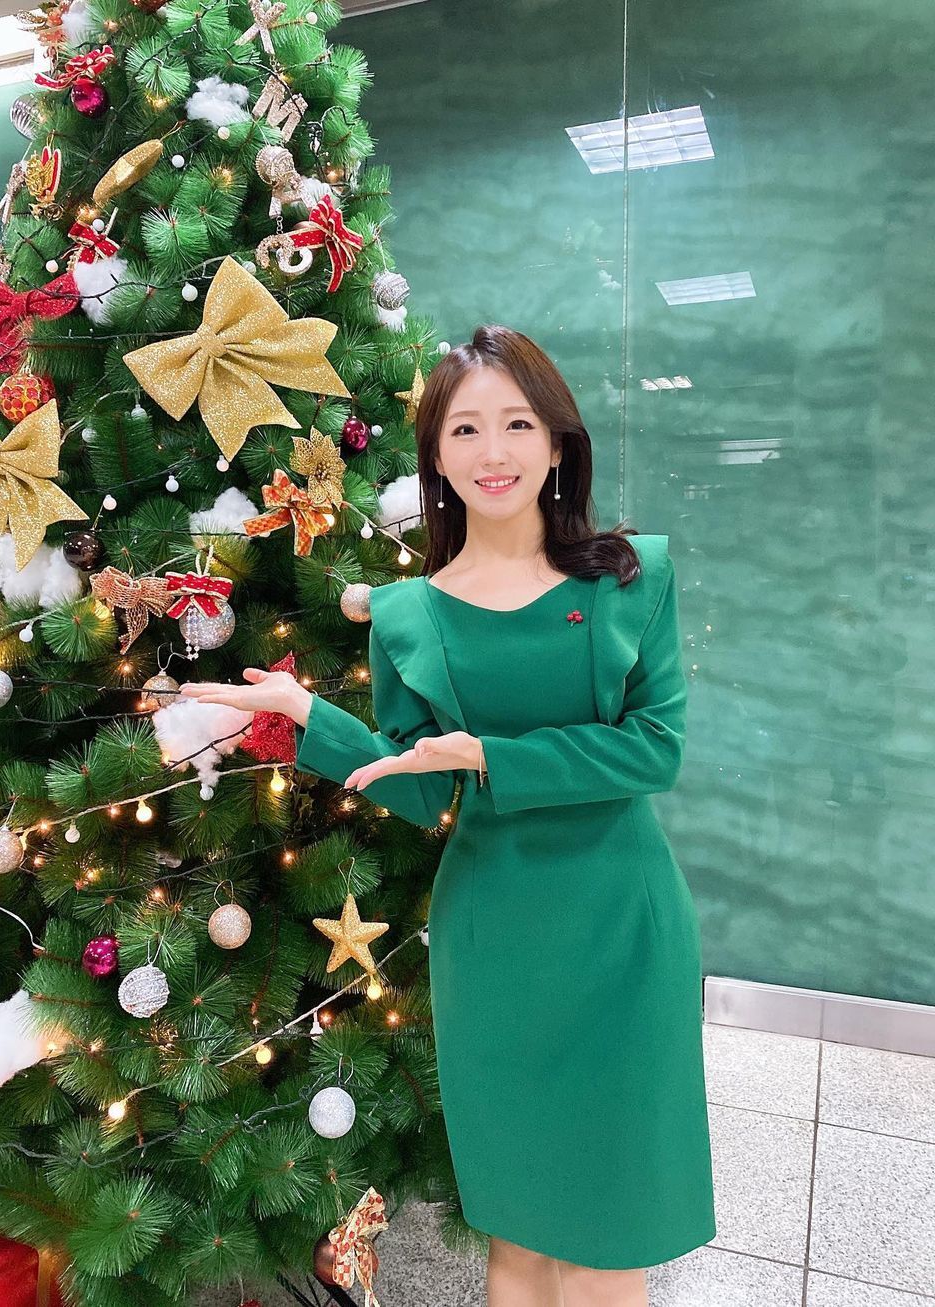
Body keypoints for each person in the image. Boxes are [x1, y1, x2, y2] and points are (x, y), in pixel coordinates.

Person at [182, 324, 716, 1307]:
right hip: (493, 938)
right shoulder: (407, 615)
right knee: (517, 1224)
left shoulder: (630, 579)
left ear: (557, 442)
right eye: (465, 428)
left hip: (622, 929)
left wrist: (492, 756)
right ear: (435, 453)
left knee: (609, 1233)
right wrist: (308, 716)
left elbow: (656, 749)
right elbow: (423, 787)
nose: (492, 450)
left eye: (517, 423)